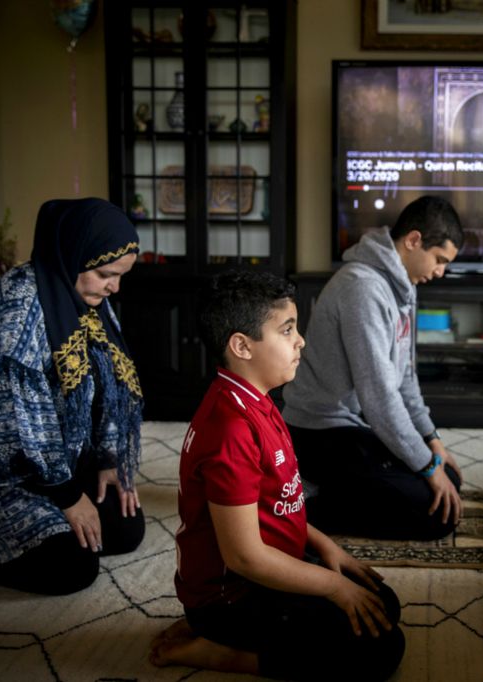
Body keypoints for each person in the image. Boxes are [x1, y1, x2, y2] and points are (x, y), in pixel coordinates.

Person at [151, 271, 404, 680]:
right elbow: (245, 556)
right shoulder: (229, 430)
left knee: (382, 603)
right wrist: (333, 586)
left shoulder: (259, 399)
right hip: (231, 596)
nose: (300, 340)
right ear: (241, 346)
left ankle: (229, 635)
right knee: (382, 651)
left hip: (270, 567)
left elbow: (281, 503)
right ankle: (221, 651)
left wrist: (327, 549)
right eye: (287, 329)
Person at [0, 198, 146, 595]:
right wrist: (68, 498)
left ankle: (49, 515)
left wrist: (106, 457)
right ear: (73, 254)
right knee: (72, 567)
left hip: (58, 455)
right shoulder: (14, 316)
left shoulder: (88, 299)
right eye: (106, 274)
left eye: (120, 276)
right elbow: (11, 428)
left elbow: (108, 383)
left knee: (124, 529)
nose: (114, 287)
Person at [282, 195, 465, 540]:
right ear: (413, 241)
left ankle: (338, 490)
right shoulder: (361, 289)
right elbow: (379, 397)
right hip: (321, 433)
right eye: (439, 260)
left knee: (447, 482)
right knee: (437, 515)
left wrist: (432, 440)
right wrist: (427, 466)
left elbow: (405, 379)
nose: (440, 271)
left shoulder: (403, 286)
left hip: (359, 425)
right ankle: (295, 511)